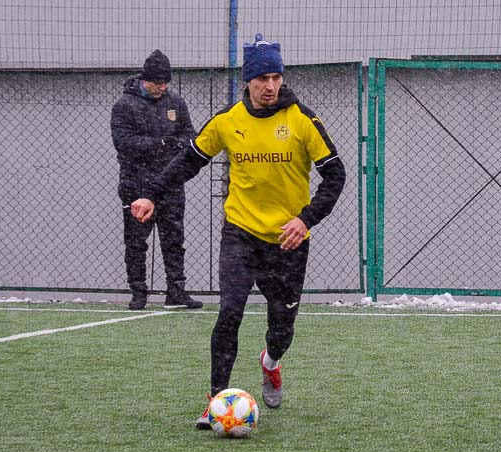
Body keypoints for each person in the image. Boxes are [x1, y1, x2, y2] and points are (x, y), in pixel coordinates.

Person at [130, 34, 346, 424]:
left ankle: (271, 361)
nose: (270, 86)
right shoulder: (228, 122)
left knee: (281, 327)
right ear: (248, 80)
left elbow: (335, 176)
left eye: (277, 76)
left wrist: (305, 218)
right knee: (229, 313)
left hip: (287, 242)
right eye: (262, 77)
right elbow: (187, 162)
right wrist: (151, 194)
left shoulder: (302, 120)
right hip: (240, 234)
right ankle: (216, 401)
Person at [110, 49, 202, 310]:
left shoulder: (175, 102)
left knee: (174, 240)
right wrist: (161, 144)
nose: (162, 87)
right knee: (136, 242)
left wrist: (179, 145)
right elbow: (124, 143)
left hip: (170, 183)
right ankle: (138, 292)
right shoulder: (124, 105)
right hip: (136, 185)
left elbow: (189, 134)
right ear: (145, 79)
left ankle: (176, 292)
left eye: (165, 83)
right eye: (158, 83)